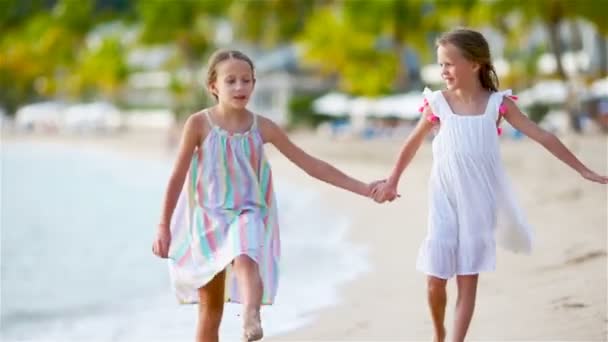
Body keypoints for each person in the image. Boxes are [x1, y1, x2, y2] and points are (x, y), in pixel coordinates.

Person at [371, 28, 608, 342]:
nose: (443, 71)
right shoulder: (438, 104)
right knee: (435, 280)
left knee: (467, 279)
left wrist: (582, 170)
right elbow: (410, 145)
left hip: (479, 205)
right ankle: (439, 332)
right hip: (444, 203)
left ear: (474, 64)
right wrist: (392, 181)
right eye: (440, 65)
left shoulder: (498, 103)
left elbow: (543, 136)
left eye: (449, 64)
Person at [152, 49, 378, 342]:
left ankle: (250, 313)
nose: (239, 87)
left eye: (246, 80)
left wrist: (364, 188)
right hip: (208, 220)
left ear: (254, 84)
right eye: (230, 81)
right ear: (213, 86)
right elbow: (177, 177)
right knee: (210, 313)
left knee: (245, 252)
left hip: (249, 211)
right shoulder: (199, 124)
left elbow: (311, 164)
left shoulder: (263, 127)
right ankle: (240, 314)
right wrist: (163, 226)